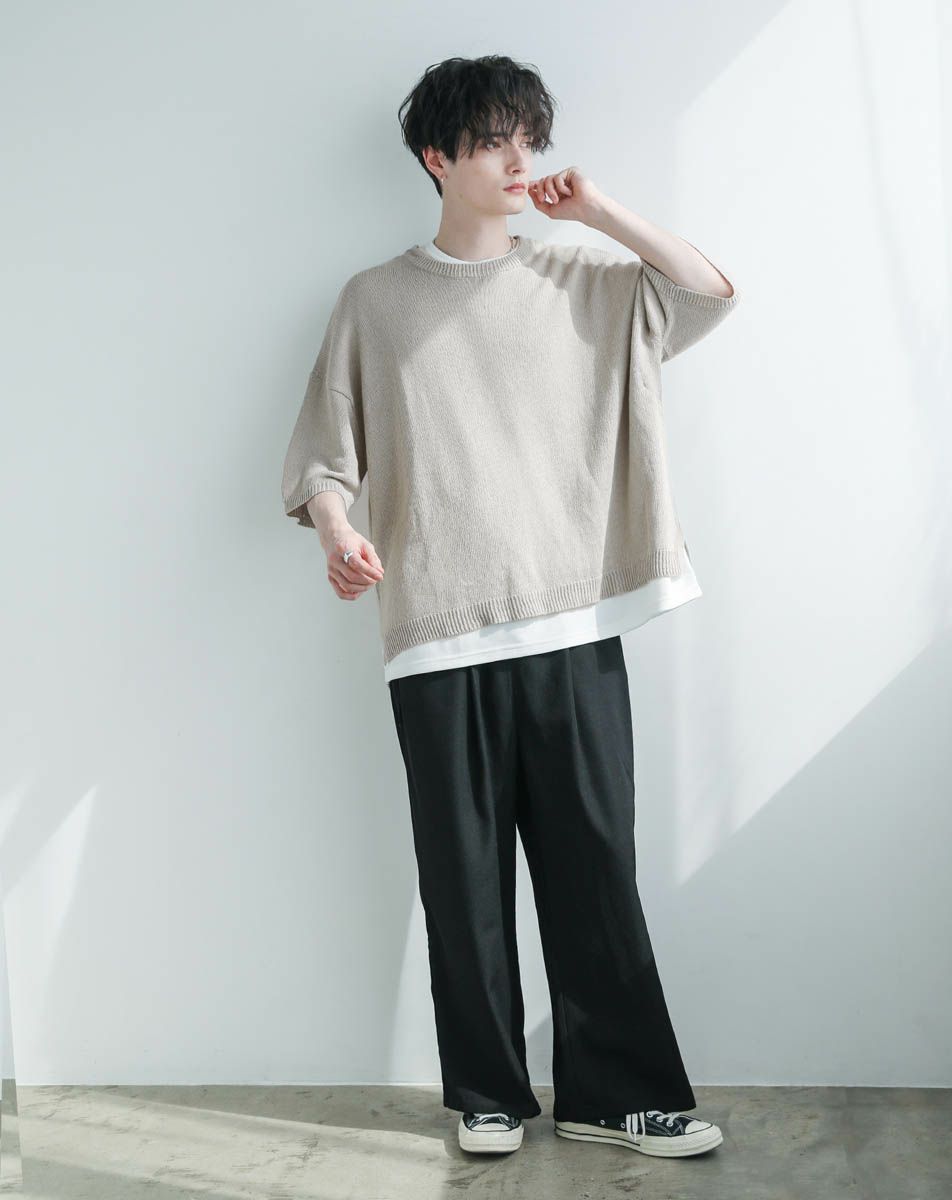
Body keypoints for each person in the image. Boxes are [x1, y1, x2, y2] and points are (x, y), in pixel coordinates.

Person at [281, 54, 741, 1160]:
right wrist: (339, 532)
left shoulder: (583, 280)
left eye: (527, 139)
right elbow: (325, 457)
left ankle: (615, 1095)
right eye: (493, 141)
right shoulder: (375, 302)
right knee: (463, 882)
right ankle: (486, 1094)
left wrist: (602, 212)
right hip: (435, 632)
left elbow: (708, 293)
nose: (518, 160)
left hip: (571, 625)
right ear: (436, 158)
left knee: (596, 873)